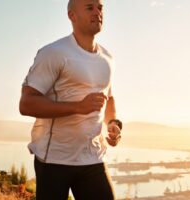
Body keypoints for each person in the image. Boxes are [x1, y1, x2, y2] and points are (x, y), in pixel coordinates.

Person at [19, 0, 122, 199]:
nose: (97, 13)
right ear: (71, 15)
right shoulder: (53, 53)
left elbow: (108, 97)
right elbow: (27, 103)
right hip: (54, 159)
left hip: (92, 157)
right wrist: (77, 107)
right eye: (89, 8)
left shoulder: (108, 58)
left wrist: (113, 123)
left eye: (100, 8)